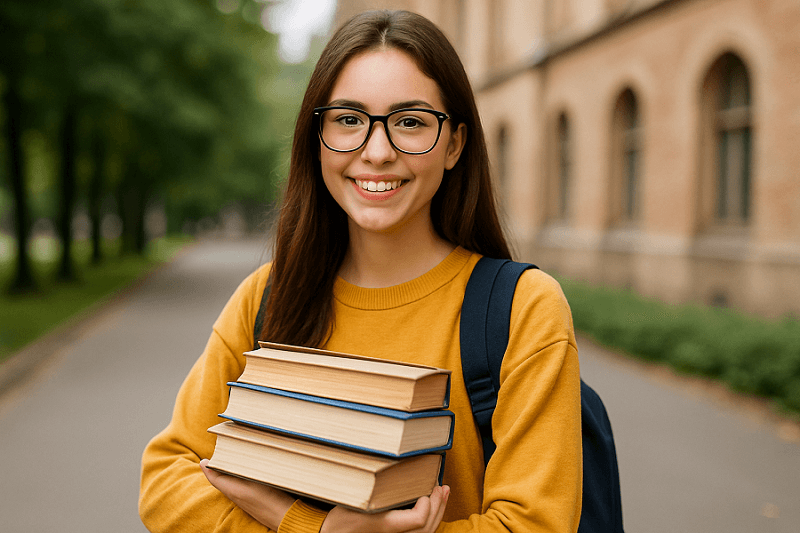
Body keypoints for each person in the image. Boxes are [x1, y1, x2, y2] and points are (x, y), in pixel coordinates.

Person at [139, 9, 582, 533]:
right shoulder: (267, 297)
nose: (376, 152)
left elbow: (534, 524)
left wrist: (281, 515)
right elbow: (167, 479)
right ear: (316, 136)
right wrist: (308, 527)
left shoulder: (523, 309)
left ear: (455, 144)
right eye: (349, 119)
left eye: (410, 122)